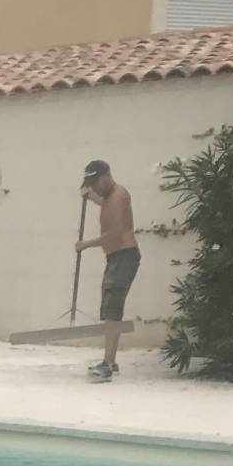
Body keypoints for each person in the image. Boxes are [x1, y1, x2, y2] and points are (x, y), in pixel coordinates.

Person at [75, 159, 139, 383]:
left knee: (112, 310)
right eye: (90, 184)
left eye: (95, 182)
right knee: (111, 309)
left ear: (106, 175)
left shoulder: (119, 195)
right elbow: (105, 203)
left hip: (124, 256)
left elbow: (116, 232)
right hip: (116, 258)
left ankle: (107, 366)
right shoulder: (110, 196)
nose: (93, 187)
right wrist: (90, 197)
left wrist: (86, 244)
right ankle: (110, 361)